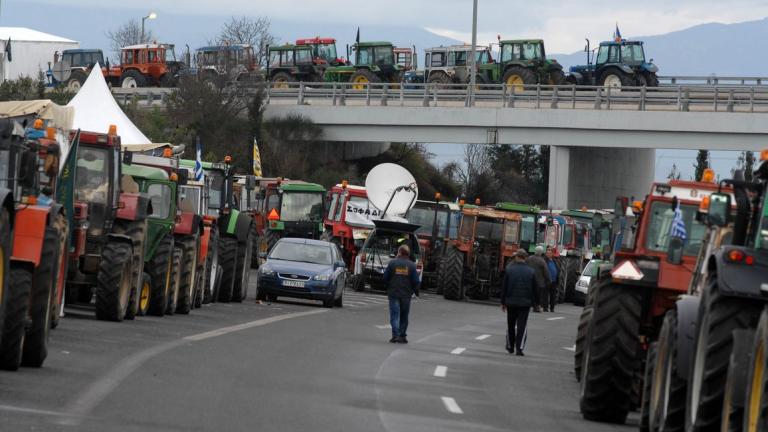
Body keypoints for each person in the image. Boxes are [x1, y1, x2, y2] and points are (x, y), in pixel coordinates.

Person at [382, 245, 420, 344]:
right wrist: (416, 292)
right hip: (406, 295)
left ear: (399, 252)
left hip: (394, 293)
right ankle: (402, 336)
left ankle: (395, 335)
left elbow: (385, 278)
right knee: (404, 316)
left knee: (395, 315)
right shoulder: (412, 265)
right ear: (408, 254)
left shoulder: (392, 263)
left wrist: (388, 287)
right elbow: (416, 281)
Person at [501, 249, 536, 356]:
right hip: (525, 304)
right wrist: (535, 304)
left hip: (511, 302)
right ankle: (519, 348)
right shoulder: (531, 272)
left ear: (516, 257)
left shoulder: (509, 269)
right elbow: (535, 289)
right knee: (522, 325)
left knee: (510, 325)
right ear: (525, 258)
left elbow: (504, 288)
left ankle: (510, 346)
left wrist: (503, 302)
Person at [526, 245, 551, 312]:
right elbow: (546, 272)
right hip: (539, 281)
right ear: (541, 252)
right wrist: (548, 280)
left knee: (529, 294)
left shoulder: (529, 258)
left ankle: (527, 306)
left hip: (529, 280)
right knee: (537, 295)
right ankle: (536, 307)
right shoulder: (542, 261)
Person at [544, 247, 559, 312]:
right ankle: (545, 307)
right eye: (547, 253)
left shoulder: (554, 261)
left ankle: (552, 308)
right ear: (546, 254)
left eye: (550, 253)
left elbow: (557, 269)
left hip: (554, 280)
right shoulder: (544, 261)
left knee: (553, 295)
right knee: (546, 295)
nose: (548, 254)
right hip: (547, 280)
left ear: (552, 254)